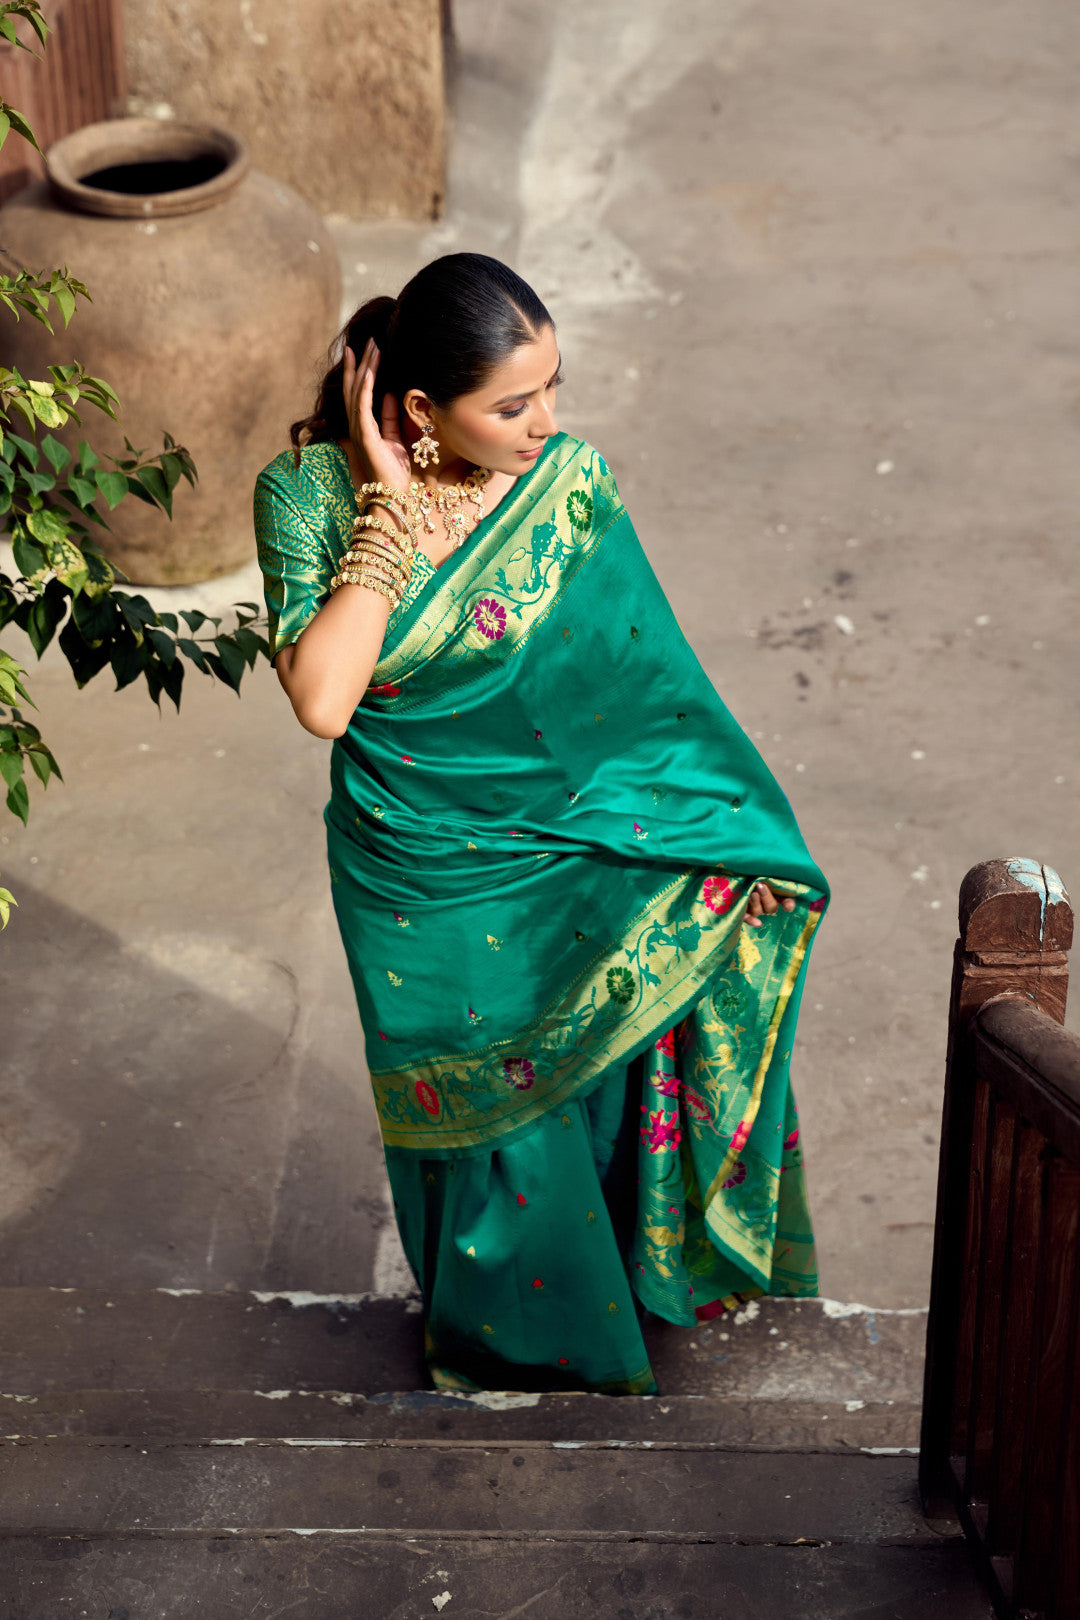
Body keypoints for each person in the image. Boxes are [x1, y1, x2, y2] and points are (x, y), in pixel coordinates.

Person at [254, 252, 828, 1395]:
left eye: (552, 389)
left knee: (607, 1054)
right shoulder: (308, 494)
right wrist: (388, 511)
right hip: (419, 868)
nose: (544, 423)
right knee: (476, 1111)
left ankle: (635, 1279)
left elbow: (637, 688)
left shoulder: (567, 486)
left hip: (561, 831)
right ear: (420, 410)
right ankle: (524, 1351)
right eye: (512, 405)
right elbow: (324, 698)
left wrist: (715, 830)